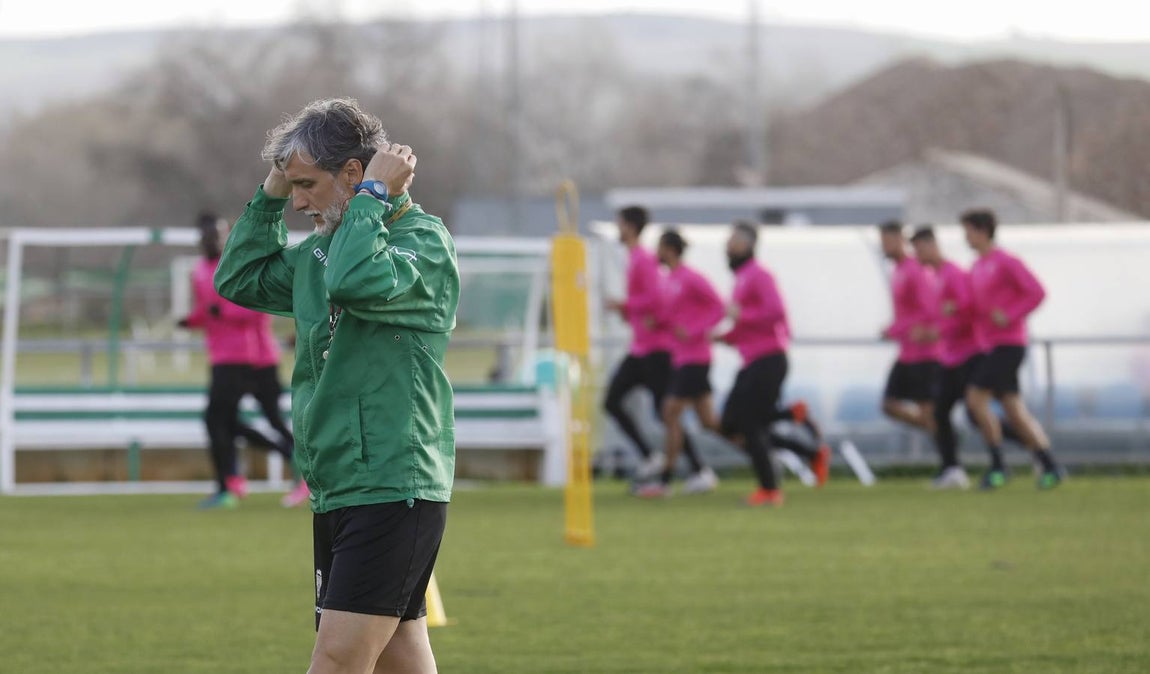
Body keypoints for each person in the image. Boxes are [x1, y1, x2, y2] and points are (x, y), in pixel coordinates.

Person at [215, 98, 459, 674]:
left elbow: (353, 280)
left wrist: (371, 197)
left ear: (353, 173)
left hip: (393, 484)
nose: (298, 202)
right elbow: (238, 278)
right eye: (292, 187)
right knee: (399, 658)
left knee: (337, 659)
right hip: (339, 486)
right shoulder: (320, 253)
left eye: (306, 185)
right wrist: (272, 189)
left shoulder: (423, 243)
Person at [717, 222, 831, 506]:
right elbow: (745, 324)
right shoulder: (741, 278)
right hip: (753, 360)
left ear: (745, 244)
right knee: (730, 423)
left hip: (768, 359)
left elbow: (775, 312)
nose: (726, 246)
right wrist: (725, 337)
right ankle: (797, 423)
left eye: (732, 241)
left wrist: (741, 316)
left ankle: (770, 489)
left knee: (749, 422)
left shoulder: (760, 274)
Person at [180, 213, 284, 510]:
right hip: (219, 356)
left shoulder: (237, 265)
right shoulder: (199, 271)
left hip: (242, 356)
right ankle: (233, 481)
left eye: (218, 235)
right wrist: (190, 321)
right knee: (224, 422)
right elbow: (206, 311)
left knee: (220, 421)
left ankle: (229, 484)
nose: (213, 240)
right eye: (208, 235)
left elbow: (256, 307)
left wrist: (221, 312)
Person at [961, 209, 1063, 490]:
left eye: (968, 232)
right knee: (1013, 410)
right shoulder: (976, 267)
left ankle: (998, 466)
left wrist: (1010, 314)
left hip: (1008, 345)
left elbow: (1036, 292)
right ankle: (1050, 466)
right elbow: (975, 308)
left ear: (982, 231)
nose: (965, 238)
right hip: (990, 345)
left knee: (975, 399)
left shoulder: (1006, 262)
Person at [636, 229, 722, 498]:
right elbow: (672, 315)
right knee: (709, 422)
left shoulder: (691, 278)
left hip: (696, 358)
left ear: (670, 249)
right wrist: (657, 321)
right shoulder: (669, 280)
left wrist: (694, 330)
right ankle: (760, 449)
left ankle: (665, 481)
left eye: (659, 247)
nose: (656, 253)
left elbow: (719, 307)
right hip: (681, 357)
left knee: (669, 412)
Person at [603, 205, 675, 480]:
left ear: (631, 227)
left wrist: (625, 305)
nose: (617, 229)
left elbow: (656, 298)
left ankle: (694, 468)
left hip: (655, 350)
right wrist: (628, 312)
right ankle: (650, 456)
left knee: (666, 413)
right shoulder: (634, 258)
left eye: (620, 224)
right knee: (612, 402)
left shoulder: (643, 259)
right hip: (641, 348)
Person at [909, 226, 977, 489]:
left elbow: (967, 309)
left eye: (918, 249)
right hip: (948, 357)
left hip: (967, 355)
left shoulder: (953, 273)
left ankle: (1035, 448)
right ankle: (952, 468)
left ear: (931, 245)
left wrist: (940, 328)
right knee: (940, 412)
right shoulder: (935, 276)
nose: (916, 255)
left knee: (976, 414)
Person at [878, 221, 941, 436]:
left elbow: (929, 309)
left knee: (928, 411)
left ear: (900, 240)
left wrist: (896, 330)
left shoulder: (916, 269)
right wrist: (893, 328)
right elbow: (906, 312)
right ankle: (944, 435)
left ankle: (947, 441)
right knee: (889, 404)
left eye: (887, 241)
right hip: (907, 353)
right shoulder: (898, 270)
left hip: (925, 353)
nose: (884, 247)